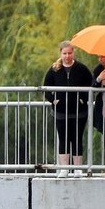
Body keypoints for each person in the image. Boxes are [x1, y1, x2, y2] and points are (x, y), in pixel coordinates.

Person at [43, 41, 93, 176]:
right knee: (63, 138)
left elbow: (92, 86)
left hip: (79, 111)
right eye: (64, 53)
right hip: (61, 112)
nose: (67, 56)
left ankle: (77, 168)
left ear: (73, 53)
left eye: (69, 53)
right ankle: (64, 168)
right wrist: (53, 101)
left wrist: (83, 99)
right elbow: (46, 88)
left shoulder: (81, 69)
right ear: (60, 53)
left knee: (77, 138)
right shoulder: (54, 69)